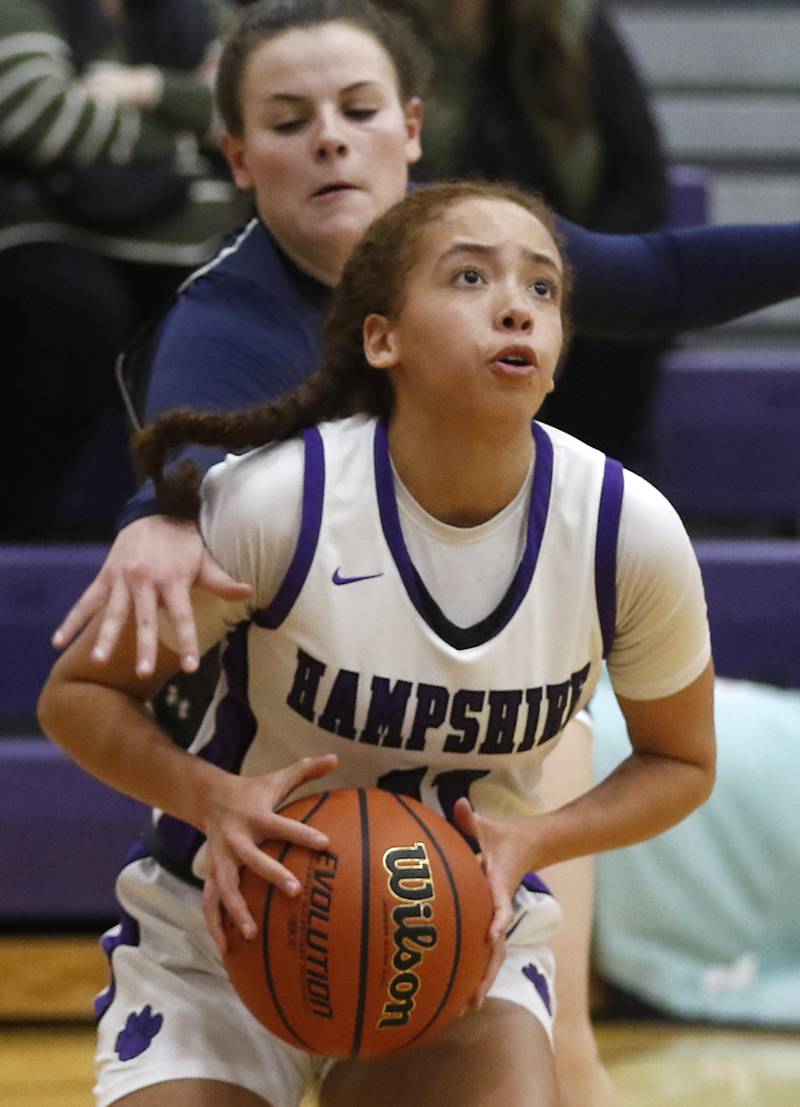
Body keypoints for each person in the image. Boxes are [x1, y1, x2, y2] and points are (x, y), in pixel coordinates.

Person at [46, 3, 800, 1103]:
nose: (331, 139)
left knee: (560, 1059)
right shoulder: (235, 348)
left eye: (357, 111)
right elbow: (187, 447)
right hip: (267, 809)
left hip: (470, 794)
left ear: (410, 126)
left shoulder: (510, 304)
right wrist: (158, 515)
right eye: (291, 119)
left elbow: (667, 273)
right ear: (236, 157)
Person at [388, 0, 671, 463]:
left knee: (619, 331)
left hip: (578, 292)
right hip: (434, 277)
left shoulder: (573, 25)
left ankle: (597, 503)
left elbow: (640, 184)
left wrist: (557, 289)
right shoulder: (376, 28)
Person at [0, 0, 240, 537]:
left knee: (227, 306)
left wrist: (147, 87)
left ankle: (214, 534)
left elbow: (248, 110)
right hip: (49, 231)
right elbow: (45, 119)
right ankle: (20, 542)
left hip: (189, 238)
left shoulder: (205, 13)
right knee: (71, 307)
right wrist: (184, 136)